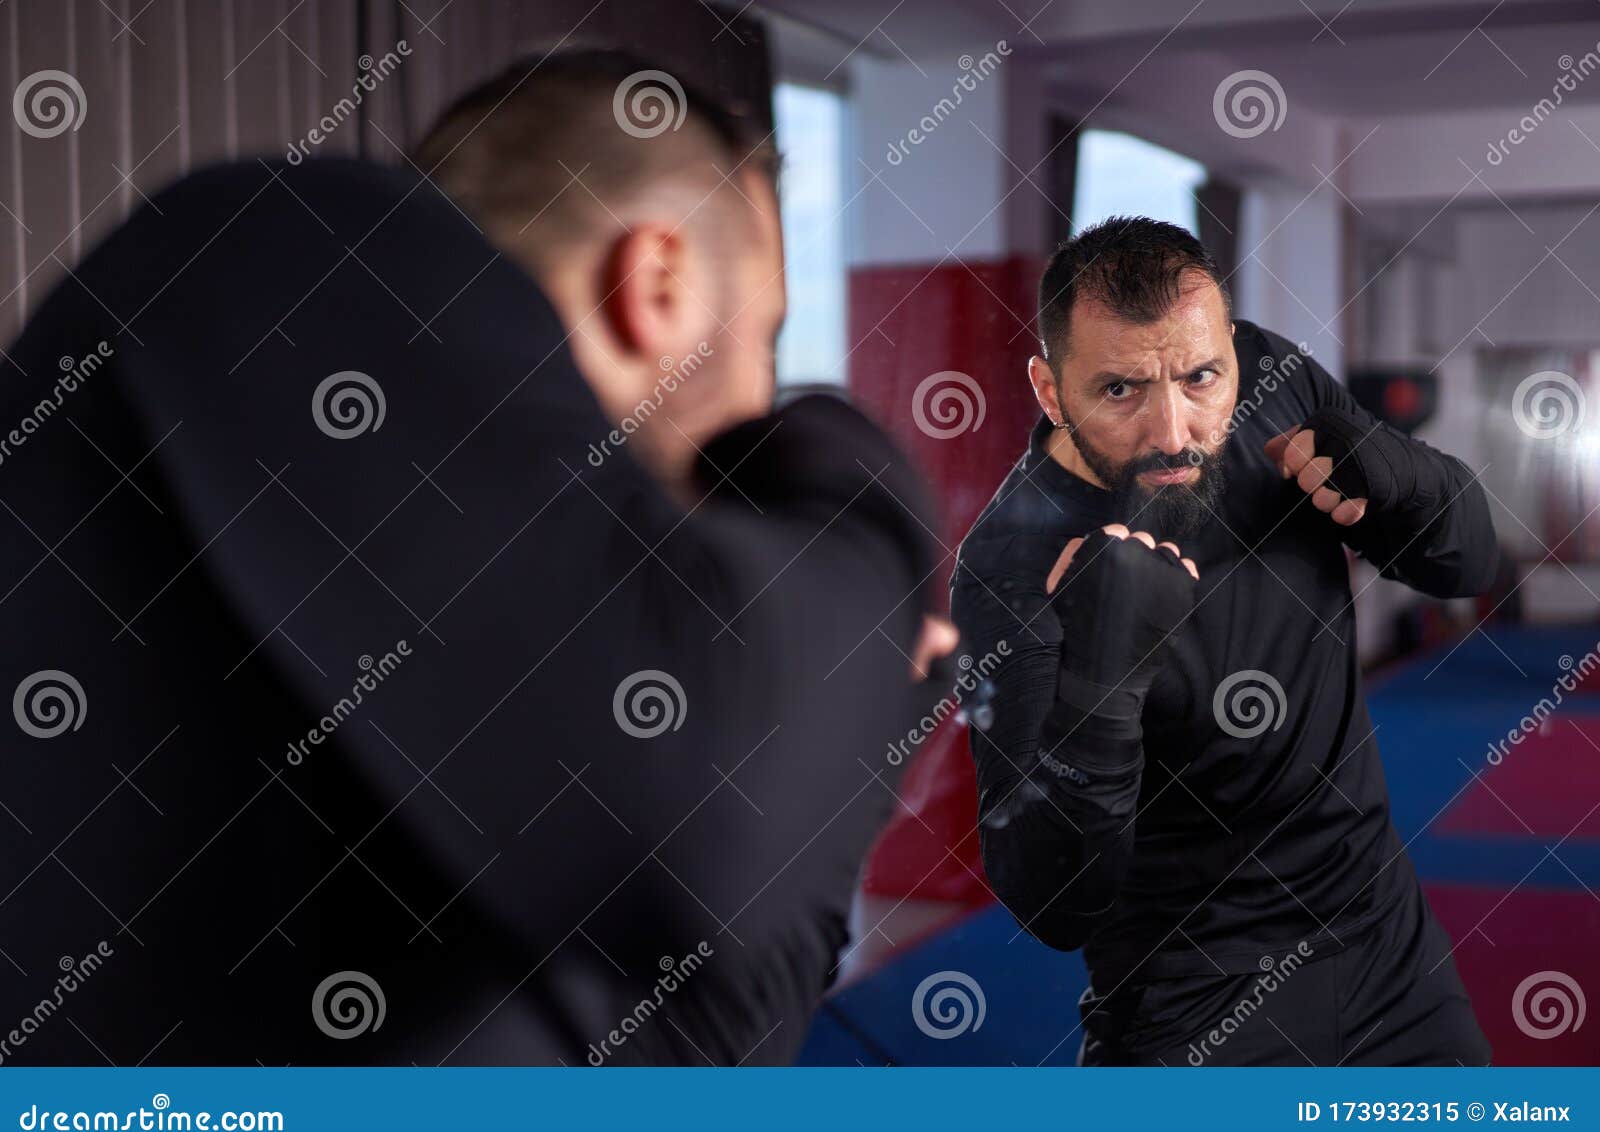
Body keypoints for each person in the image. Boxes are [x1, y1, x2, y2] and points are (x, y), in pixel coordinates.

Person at [0, 49, 949, 1065]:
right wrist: (843, 464)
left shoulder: (469, 685)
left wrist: (842, 772)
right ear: (657, 282)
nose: (760, 394)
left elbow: (687, 1047)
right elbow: (709, 809)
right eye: (765, 335)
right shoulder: (275, 240)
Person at [952, 216, 1498, 1065]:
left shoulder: (1274, 382)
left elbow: (1470, 563)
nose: (1173, 431)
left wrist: (1405, 480)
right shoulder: (1011, 566)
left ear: (1233, 354)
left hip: (1386, 945)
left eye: (1201, 377)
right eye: (1121, 390)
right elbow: (1050, 902)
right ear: (1051, 391)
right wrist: (1099, 683)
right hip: (1192, 998)